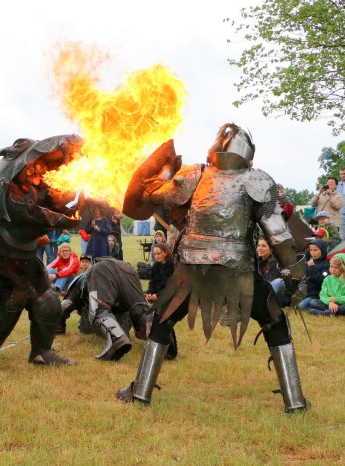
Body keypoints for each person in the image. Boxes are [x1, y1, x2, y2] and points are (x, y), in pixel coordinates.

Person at [118, 123, 307, 412]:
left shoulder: (194, 176)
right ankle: (295, 402)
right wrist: (294, 276)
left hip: (192, 268)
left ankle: (142, 391)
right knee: (275, 322)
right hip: (238, 270)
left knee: (162, 321)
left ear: (217, 147)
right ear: (250, 154)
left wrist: (168, 170)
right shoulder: (256, 180)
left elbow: (154, 193)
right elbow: (278, 236)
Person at [256, 237, 289, 307]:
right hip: (263, 295)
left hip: (278, 298)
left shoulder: (277, 262)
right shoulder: (257, 262)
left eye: (263, 246)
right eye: (258, 245)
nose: (259, 248)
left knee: (278, 282)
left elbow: (269, 285)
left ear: (271, 249)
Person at [297, 239, 330, 310]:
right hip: (305, 292)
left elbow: (322, 280)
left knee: (301, 306)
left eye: (315, 250)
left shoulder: (326, 265)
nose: (312, 253)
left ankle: (316, 307)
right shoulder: (308, 262)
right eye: (311, 250)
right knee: (289, 302)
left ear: (322, 251)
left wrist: (312, 267)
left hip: (316, 294)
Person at [337, 167, 345, 236]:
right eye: (341, 174)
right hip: (341, 213)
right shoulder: (337, 185)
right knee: (342, 234)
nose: (342, 175)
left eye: (344, 174)